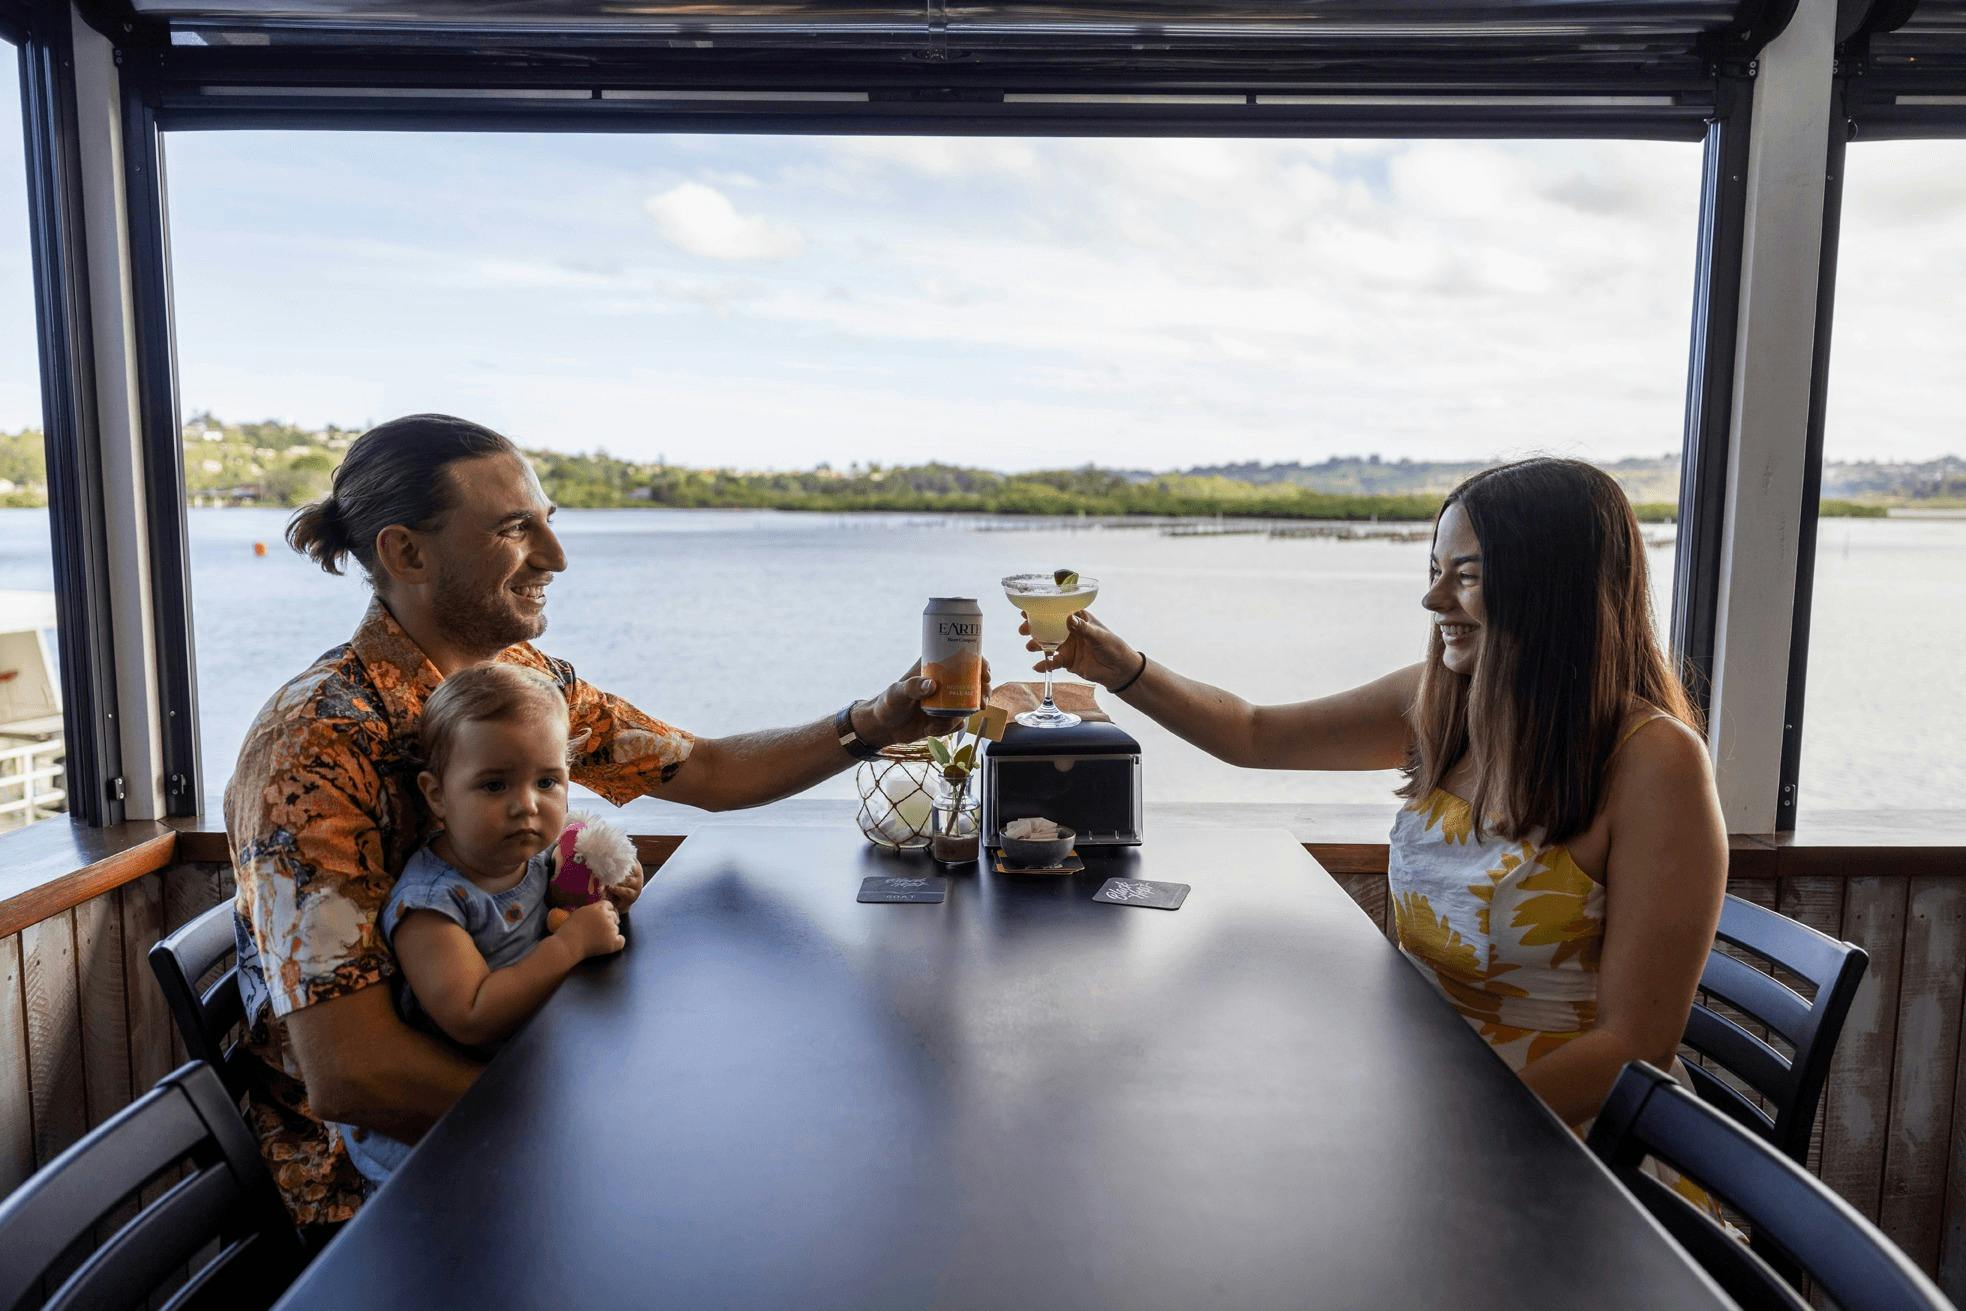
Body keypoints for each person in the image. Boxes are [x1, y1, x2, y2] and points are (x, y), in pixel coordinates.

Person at [226, 413, 970, 1234]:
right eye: (516, 529)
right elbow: (356, 1076)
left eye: (551, 522)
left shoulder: (521, 682)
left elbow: (707, 768)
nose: (556, 556)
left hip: (518, 1084)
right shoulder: (314, 741)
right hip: (382, 1197)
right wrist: (606, 1142)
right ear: (406, 553)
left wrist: (871, 723)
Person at [1029, 457, 1728, 1129]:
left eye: (1468, 576)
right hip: (1423, 1092)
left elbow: (1634, 1049)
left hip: (1561, 1144)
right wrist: (1122, 669)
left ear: (1553, 590)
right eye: (1433, 571)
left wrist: (1436, 1126)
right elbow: (1253, 734)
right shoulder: (1439, 702)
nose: (1433, 599)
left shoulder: (1656, 763)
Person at [335, 663, 627, 1187]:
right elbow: (472, 1014)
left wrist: (618, 885)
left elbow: (576, 887)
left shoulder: (534, 860)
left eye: (547, 782)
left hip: (517, 1083)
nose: (526, 805)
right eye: (494, 785)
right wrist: (571, 946)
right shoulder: (431, 904)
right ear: (438, 795)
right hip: (432, 1151)